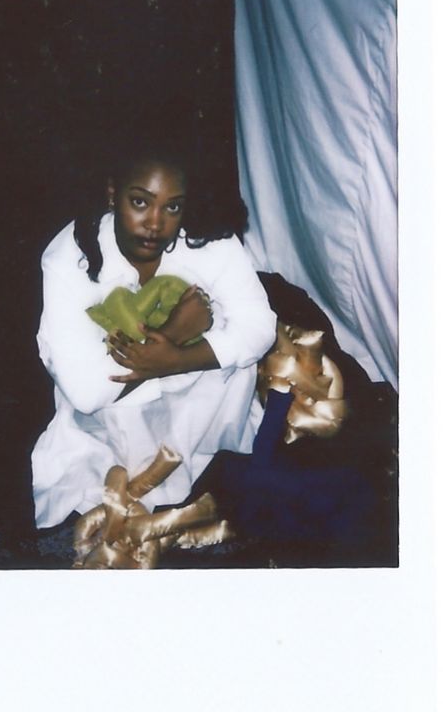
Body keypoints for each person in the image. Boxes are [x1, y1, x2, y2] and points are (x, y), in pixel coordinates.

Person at [31, 134, 276, 529]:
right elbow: (86, 393)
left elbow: (261, 326)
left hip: (198, 406)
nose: (156, 224)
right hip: (115, 412)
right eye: (140, 202)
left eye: (172, 206)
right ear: (113, 194)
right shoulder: (70, 255)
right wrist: (172, 336)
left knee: (237, 351)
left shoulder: (206, 238)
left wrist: (178, 359)